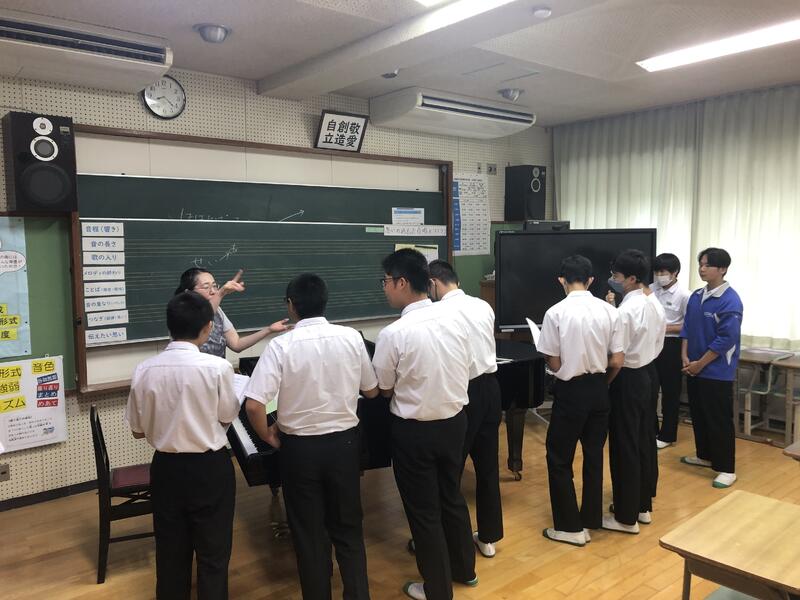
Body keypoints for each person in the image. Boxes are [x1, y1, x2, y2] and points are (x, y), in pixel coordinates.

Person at [244, 273, 379, 600]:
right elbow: (372, 391)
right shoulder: (351, 337)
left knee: (309, 534)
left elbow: (254, 405)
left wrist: (269, 437)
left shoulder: (281, 345)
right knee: (348, 528)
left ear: (291, 305)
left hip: (299, 450)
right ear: (325, 301)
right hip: (345, 446)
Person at [372, 249, 476, 600]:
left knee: (423, 511)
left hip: (415, 432)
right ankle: (465, 569)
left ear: (402, 282)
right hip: (455, 422)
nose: (384, 287)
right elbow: (469, 367)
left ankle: (437, 589)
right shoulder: (457, 320)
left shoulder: (394, 333)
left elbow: (384, 387)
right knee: (451, 496)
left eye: (386, 281)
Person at [125, 291, 240, 600]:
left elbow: (136, 431)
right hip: (210, 468)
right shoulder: (218, 368)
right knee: (214, 555)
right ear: (208, 327)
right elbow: (228, 415)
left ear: (169, 326)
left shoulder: (144, 369)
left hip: (166, 469)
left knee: (170, 555)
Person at [536, 255, 624, 546]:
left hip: (571, 391)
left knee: (559, 457)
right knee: (594, 454)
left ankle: (569, 527)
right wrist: (602, 384)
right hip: (599, 389)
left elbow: (553, 359)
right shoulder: (609, 311)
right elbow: (617, 360)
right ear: (591, 280)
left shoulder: (555, 313)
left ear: (561, 280)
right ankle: (591, 518)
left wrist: (563, 371)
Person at [428, 260, 503, 558]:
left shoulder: (438, 314)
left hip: (463, 392)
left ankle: (447, 539)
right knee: (487, 467)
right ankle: (488, 537)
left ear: (433, 283)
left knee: (450, 470)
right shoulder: (483, 305)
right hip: (491, 388)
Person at [603, 249, 665, 534]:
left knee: (624, 444)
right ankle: (642, 506)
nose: (613, 280)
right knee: (643, 440)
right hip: (649, 374)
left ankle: (625, 517)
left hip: (627, 377)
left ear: (631, 278)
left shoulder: (627, 311)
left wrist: (606, 382)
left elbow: (617, 358)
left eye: (616, 276)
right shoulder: (653, 302)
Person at [679, 247, 742, 489]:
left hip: (716, 372)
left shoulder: (730, 300)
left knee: (718, 419)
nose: (702, 269)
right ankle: (704, 455)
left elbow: (726, 339)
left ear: (723, 269)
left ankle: (726, 468)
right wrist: (685, 356)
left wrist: (700, 364)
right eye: (700, 264)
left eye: (707, 265)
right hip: (693, 366)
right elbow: (687, 328)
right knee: (699, 414)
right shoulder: (697, 295)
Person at [174, 267, 290, 357]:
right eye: (206, 287)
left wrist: (269, 330)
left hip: (218, 373)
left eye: (214, 286)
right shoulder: (181, 312)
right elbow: (202, 319)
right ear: (188, 292)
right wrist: (222, 293)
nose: (213, 291)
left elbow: (236, 344)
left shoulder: (218, 310)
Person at [650, 254, 691, 449]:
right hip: (651, 344)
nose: (660, 275)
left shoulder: (684, 295)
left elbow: (688, 325)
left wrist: (662, 328)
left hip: (671, 345)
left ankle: (667, 435)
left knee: (670, 392)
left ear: (675, 272)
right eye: (657, 271)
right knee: (649, 389)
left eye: (663, 272)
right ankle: (651, 431)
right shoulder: (651, 289)